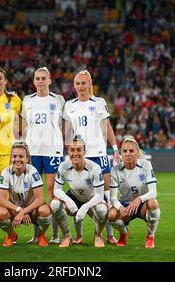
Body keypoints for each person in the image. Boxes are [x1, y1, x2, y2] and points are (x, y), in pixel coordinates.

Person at [63, 70, 119, 244]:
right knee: (77, 192)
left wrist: (115, 147)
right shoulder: (69, 105)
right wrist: (69, 148)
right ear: (74, 86)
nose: (81, 86)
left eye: (84, 83)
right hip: (80, 156)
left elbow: (107, 127)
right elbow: (66, 132)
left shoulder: (99, 103)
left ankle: (107, 235)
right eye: (78, 83)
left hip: (99, 155)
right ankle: (79, 236)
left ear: (90, 84)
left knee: (106, 197)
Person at [21, 67, 65, 244]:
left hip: (52, 150)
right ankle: (37, 233)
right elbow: (24, 127)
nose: (40, 81)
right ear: (34, 82)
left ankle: (55, 235)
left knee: (53, 191)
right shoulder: (27, 100)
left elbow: (63, 125)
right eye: (37, 78)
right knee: (34, 194)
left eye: (43, 78)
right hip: (33, 151)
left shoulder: (59, 100)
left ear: (49, 80)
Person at [51, 135, 107, 248]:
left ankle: (98, 236)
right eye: (72, 150)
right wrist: (69, 202)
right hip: (74, 196)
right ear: (68, 151)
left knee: (102, 210)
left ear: (85, 151)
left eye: (79, 150)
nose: (75, 153)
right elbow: (56, 190)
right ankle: (67, 236)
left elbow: (100, 195)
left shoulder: (95, 168)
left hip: (92, 198)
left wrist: (85, 207)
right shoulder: (63, 166)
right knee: (55, 204)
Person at [0, 140, 52, 247]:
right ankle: (11, 235)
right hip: (14, 211)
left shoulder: (33, 171)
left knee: (45, 211)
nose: (17, 159)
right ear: (11, 158)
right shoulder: (5, 173)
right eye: (14, 156)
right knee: (0, 213)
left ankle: (41, 235)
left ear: (27, 159)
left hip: (32, 211)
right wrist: (20, 210)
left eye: (21, 156)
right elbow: (1, 200)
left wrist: (24, 211)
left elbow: (40, 199)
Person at [108, 135, 161, 248]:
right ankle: (123, 233)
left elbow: (153, 192)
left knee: (153, 203)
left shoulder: (145, 165)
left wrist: (139, 199)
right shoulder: (115, 170)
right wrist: (121, 208)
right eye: (125, 151)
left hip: (142, 205)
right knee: (111, 215)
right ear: (121, 153)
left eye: (131, 151)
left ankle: (150, 236)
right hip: (125, 206)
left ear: (137, 152)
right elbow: (113, 198)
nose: (127, 154)